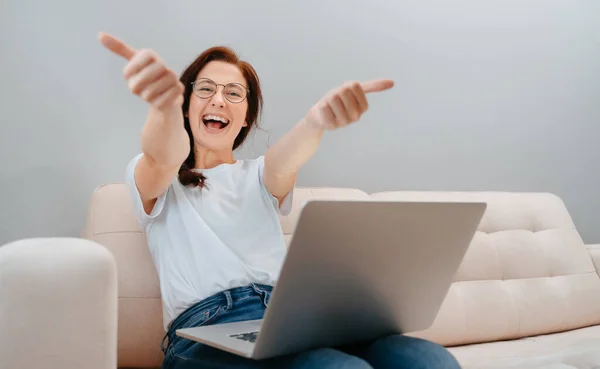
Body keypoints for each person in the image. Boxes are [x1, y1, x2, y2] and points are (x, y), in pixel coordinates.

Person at [99, 32, 461, 369]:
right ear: (188, 105)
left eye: (233, 93)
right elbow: (163, 155)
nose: (219, 100)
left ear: (244, 118)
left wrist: (315, 122)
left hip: (291, 317)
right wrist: (164, 109)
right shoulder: (159, 178)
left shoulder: (258, 175)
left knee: (426, 359)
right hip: (204, 330)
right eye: (205, 89)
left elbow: (284, 161)